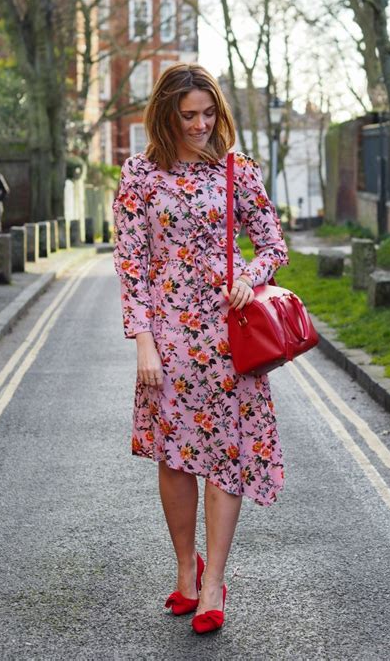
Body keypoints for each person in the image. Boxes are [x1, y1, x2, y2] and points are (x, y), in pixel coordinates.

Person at [112, 62, 289, 634]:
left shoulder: (238, 170)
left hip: (229, 336)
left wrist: (251, 276)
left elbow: (272, 245)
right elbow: (132, 264)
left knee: (227, 455)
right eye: (188, 115)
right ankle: (187, 569)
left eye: (209, 113)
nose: (200, 125)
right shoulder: (141, 175)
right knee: (176, 456)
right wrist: (143, 342)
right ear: (166, 114)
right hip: (168, 339)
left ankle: (214, 585)